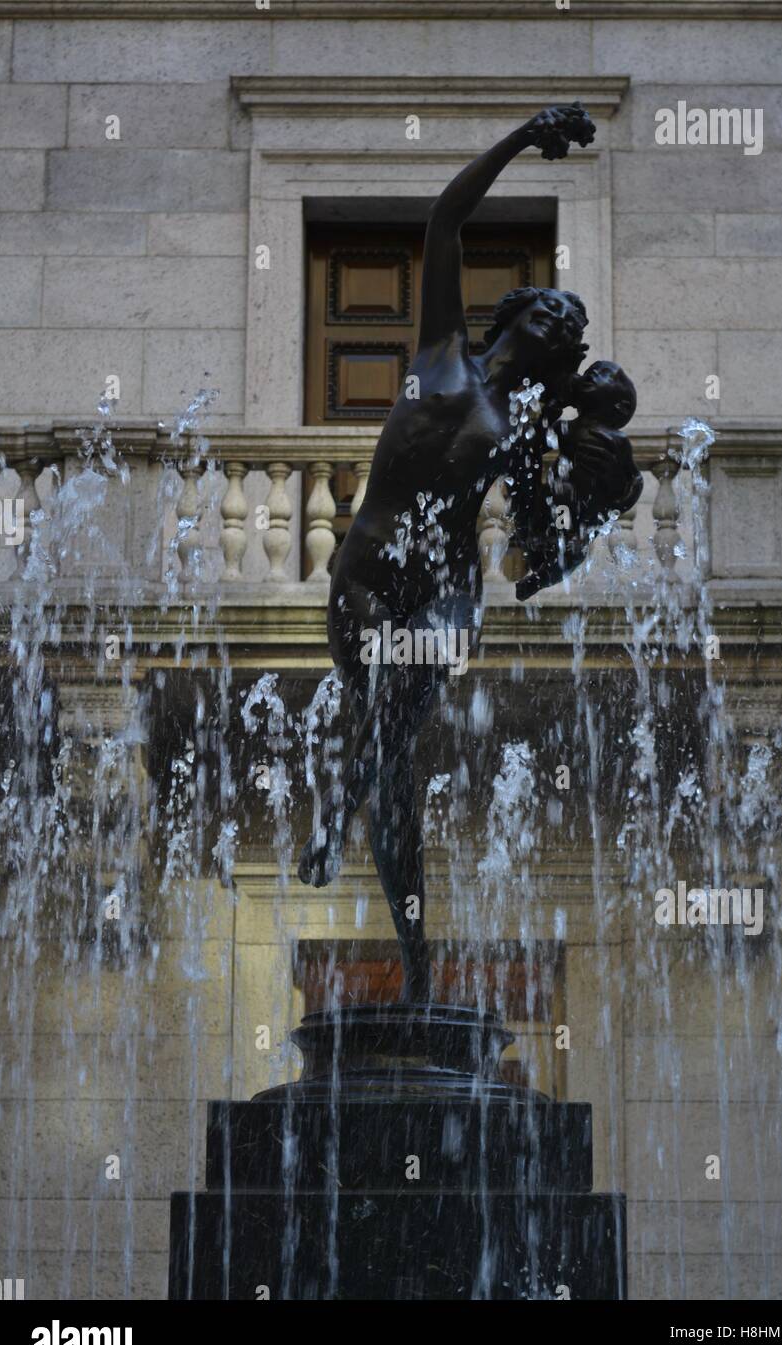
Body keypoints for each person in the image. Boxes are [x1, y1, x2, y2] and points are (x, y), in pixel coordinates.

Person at [298, 104, 635, 1003]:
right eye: (555, 315)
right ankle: (415, 962)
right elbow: (446, 217)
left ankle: (332, 822)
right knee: (395, 775)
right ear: (519, 316)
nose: (565, 330)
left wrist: (602, 505)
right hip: (360, 584)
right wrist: (526, 137)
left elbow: (538, 563)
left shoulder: (524, 436)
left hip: (444, 592)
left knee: (402, 697)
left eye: (572, 333)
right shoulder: (439, 349)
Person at [513, 359, 643, 602]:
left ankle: (540, 579)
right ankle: (540, 552)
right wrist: (553, 405)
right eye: (591, 372)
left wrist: (615, 502)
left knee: (576, 549)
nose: (593, 373)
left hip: (587, 512)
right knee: (556, 501)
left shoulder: (617, 441)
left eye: (605, 375)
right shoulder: (568, 429)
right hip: (556, 503)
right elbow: (534, 443)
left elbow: (634, 481)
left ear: (620, 407)